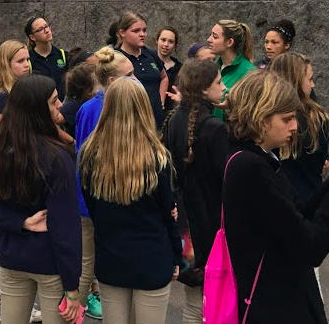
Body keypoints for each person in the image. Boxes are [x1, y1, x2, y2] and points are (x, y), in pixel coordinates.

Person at [222, 71, 329, 324]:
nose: (295, 126)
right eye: (287, 119)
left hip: (274, 298)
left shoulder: (255, 157)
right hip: (275, 305)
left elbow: (298, 215)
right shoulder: (251, 167)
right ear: (261, 119)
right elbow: (310, 245)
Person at [0, 75, 82, 324]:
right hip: (50, 262)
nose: (60, 106)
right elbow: (65, 226)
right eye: (55, 101)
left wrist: (21, 222)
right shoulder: (57, 157)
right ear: (38, 108)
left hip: (12, 254)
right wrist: (73, 286)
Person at [79, 78, 181, 324]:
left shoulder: (90, 155)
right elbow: (167, 213)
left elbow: (92, 208)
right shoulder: (157, 158)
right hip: (152, 257)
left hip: (111, 255)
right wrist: (176, 256)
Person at [73, 46, 135, 320]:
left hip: (99, 197)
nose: (135, 81)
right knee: (89, 261)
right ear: (112, 81)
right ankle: (76, 306)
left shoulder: (96, 107)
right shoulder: (100, 110)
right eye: (129, 75)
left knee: (95, 259)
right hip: (96, 200)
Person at [163, 59, 227, 324]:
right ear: (203, 90)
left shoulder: (172, 119)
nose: (224, 88)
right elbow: (227, 178)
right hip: (210, 221)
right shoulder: (213, 127)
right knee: (216, 299)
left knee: (193, 299)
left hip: (185, 221)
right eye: (219, 83)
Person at [0, 40, 37, 324]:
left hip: (22, 171)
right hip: (4, 173)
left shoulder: (22, 91)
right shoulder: (0, 97)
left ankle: (16, 302)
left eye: (27, 60)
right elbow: (3, 141)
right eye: (20, 61)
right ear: (6, 65)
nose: (26, 65)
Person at [268, 53, 329, 203]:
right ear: (296, 81)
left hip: (278, 198)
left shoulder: (267, 119)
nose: (313, 85)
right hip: (311, 197)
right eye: (309, 79)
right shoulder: (317, 116)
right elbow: (322, 161)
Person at [113, 12, 167, 128]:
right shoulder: (116, 58)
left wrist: (161, 101)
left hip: (156, 121)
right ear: (122, 33)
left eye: (144, 30)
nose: (142, 34)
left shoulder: (150, 53)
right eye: (136, 31)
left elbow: (164, 77)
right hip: (132, 124)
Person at [207, 19, 257, 120]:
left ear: (229, 42)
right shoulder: (213, 68)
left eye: (215, 36)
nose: (209, 39)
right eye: (210, 35)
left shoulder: (250, 73)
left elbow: (254, 109)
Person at [24, 16, 67, 100]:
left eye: (46, 26)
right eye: (40, 29)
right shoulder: (28, 60)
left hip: (62, 107)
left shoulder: (62, 55)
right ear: (32, 37)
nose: (47, 31)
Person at [60, 63, 96, 140]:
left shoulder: (95, 102)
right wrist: (71, 141)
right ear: (89, 91)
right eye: (99, 82)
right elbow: (53, 121)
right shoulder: (74, 105)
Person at [153, 27, 182, 115]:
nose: (166, 44)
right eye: (163, 40)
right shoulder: (148, 63)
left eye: (170, 42)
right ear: (157, 41)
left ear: (175, 45)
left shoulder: (180, 69)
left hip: (171, 114)